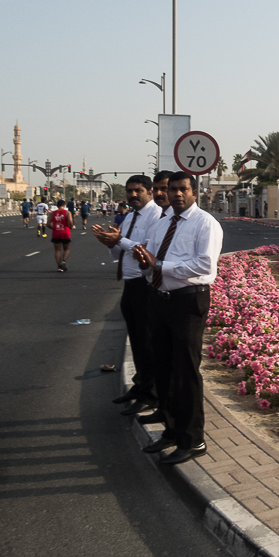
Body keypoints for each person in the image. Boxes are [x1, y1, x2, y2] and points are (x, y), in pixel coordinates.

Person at [133, 172, 223, 465]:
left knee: (185, 373)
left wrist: (159, 264)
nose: (177, 194)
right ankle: (171, 431)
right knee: (164, 369)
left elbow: (204, 265)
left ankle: (193, 440)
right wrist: (147, 265)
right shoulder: (162, 224)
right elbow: (150, 260)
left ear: (194, 192)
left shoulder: (205, 223)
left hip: (188, 302)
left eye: (183, 189)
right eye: (173, 189)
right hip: (160, 300)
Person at [92, 176, 163, 415]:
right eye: (130, 191)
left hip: (146, 285)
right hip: (130, 285)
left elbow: (147, 250)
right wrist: (110, 241)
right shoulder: (130, 215)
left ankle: (150, 394)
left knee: (146, 341)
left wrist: (120, 240)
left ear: (150, 192)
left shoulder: (156, 216)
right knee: (136, 339)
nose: (133, 195)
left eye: (138, 191)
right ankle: (140, 386)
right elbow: (119, 254)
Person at [49, 199, 74, 271]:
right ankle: (64, 260)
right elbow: (70, 222)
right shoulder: (67, 213)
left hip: (56, 233)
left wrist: (53, 228)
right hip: (65, 232)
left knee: (57, 250)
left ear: (57, 205)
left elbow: (48, 224)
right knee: (66, 249)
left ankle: (59, 266)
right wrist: (71, 227)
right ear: (64, 205)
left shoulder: (53, 213)